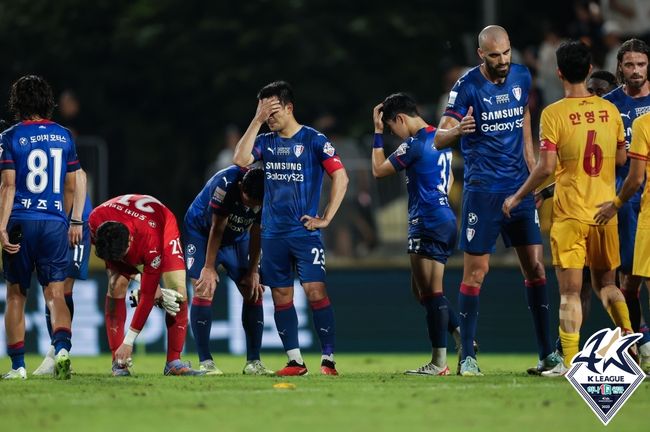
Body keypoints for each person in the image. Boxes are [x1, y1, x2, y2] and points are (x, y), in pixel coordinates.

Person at [434, 25, 559, 376]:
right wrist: (458, 130)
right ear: (481, 55)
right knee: (476, 273)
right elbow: (438, 139)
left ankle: (547, 354)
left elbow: (524, 115)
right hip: (483, 190)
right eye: (495, 56)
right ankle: (468, 358)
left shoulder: (521, 76)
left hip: (518, 188)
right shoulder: (466, 87)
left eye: (506, 53)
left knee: (535, 267)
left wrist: (531, 161)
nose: (503, 61)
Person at [503, 40, 631, 376]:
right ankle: (632, 346)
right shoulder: (611, 111)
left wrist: (518, 196)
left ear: (558, 72)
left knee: (570, 293)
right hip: (605, 212)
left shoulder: (554, 113)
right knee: (608, 285)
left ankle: (571, 363)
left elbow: (546, 167)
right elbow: (620, 159)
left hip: (571, 213)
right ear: (590, 71)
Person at [232, 81, 348, 376]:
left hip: (304, 232)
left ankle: (328, 359)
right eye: (264, 112)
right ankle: (295, 361)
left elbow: (341, 177)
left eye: (272, 111)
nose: (269, 118)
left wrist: (326, 217)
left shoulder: (314, 140)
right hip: (272, 233)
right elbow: (240, 159)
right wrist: (256, 120)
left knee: (314, 290)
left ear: (289, 107)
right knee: (281, 296)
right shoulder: (266, 141)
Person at [371, 93, 460, 376]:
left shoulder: (415, 143)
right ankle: (460, 335)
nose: (391, 134)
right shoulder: (441, 137)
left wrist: (375, 134)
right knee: (422, 291)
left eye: (390, 128)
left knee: (432, 293)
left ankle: (439, 362)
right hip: (445, 217)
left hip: (426, 219)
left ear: (399, 119)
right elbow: (451, 180)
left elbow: (378, 170)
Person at [0, 75, 82, 380]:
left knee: (16, 295)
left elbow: (8, 186)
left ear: (17, 102)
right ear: (47, 101)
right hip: (53, 222)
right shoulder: (64, 135)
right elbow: (72, 185)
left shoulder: (10, 137)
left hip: (20, 221)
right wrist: (68, 219)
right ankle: (61, 348)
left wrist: (1, 227)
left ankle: (18, 366)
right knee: (56, 294)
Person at [89, 194, 203, 376]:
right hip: (124, 219)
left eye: (124, 255)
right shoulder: (95, 221)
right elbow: (110, 257)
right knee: (116, 283)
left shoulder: (151, 239)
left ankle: (173, 362)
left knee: (178, 293)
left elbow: (149, 296)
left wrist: (129, 340)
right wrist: (141, 279)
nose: (123, 259)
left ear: (130, 241)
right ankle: (118, 363)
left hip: (162, 225)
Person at [184, 166, 273, 375]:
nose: (250, 207)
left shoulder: (269, 193)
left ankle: (253, 362)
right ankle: (206, 362)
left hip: (237, 238)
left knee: (253, 289)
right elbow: (217, 227)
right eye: (246, 201)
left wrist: (253, 271)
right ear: (241, 187)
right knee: (203, 288)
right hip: (202, 233)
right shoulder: (225, 185)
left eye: (255, 205)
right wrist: (208, 267)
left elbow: (257, 231)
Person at [602, 38, 650, 370]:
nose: (635, 71)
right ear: (620, 66)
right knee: (629, 279)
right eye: (630, 64)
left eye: (641, 65)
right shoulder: (607, 106)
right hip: (625, 201)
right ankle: (641, 341)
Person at [33, 169, 91, 376]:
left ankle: (57, 352)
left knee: (63, 287)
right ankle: (57, 351)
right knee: (50, 288)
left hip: (75, 225)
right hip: (50, 223)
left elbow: (80, 177)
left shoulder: (56, 145)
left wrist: (75, 220)